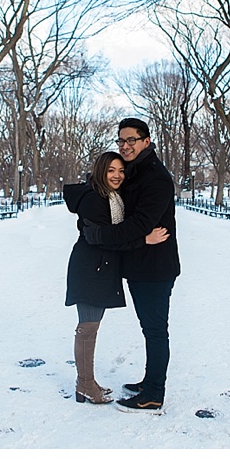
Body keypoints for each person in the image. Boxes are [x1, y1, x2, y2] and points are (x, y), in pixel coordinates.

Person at [83, 118, 180, 413]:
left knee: (154, 329)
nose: (125, 146)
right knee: (149, 327)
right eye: (121, 141)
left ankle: (153, 394)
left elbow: (139, 223)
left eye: (131, 141)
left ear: (146, 142)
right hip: (140, 265)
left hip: (155, 267)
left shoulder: (155, 177)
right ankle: (149, 381)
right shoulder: (136, 171)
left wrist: (101, 236)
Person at [63, 151, 168, 405]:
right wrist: (144, 239)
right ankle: (84, 385)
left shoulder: (111, 197)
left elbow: (112, 235)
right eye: (111, 171)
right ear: (101, 171)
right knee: (87, 328)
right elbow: (108, 238)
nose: (117, 175)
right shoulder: (94, 199)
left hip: (100, 268)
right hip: (90, 269)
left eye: (121, 171)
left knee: (90, 326)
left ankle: (87, 382)